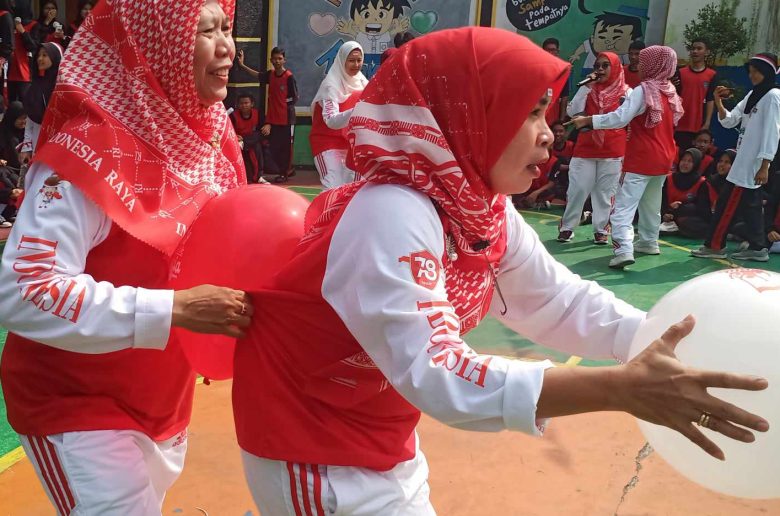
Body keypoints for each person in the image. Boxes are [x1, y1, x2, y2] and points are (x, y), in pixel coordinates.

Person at [232, 29, 768, 515]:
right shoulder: (390, 211)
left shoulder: (478, 205)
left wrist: (669, 342)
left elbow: (555, 300)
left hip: (377, 433)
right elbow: (439, 371)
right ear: (468, 115)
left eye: (546, 113)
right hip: (315, 449)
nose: (548, 135)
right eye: (529, 113)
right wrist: (620, 389)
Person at [0, 1, 253, 514]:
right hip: (74, 406)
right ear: (160, 46)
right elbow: (24, 289)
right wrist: (174, 309)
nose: (227, 47)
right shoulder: (88, 148)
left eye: (227, 29)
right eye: (207, 31)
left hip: (162, 404)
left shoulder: (214, 142)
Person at [572, 46, 682, 269]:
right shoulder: (669, 90)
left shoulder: (644, 90)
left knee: (623, 207)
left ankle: (623, 248)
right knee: (651, 204)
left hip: (641, 157)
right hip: (664, 157)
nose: (638, 66)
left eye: (643, 62)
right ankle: (649, 241)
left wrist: (589, 121)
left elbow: (620, 118)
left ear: (652, 65)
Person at [691, 53, 780, 262]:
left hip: (752, 164)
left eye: (757, 72)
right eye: (751, 71)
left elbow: (773, 132)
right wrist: (718, 102)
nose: (752, 75)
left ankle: (715, 246)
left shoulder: (773, 96)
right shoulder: (753, 94)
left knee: (727, 205)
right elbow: (730, 120)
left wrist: (765, 165)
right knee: (751, 207)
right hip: (743, 161)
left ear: (767, 73)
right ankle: (758, 247)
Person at [559, 52, 630, 245]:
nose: (600, 69)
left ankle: (601, 229)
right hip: (586, 148)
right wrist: (586, 87)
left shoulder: (627, 92)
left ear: (615, 67)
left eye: (605, 65)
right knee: (578, 189)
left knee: (605, 193)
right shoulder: (589, 88)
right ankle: (567, 227)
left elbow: (626, 118)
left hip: (613, 150)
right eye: (597, 66)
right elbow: (572, 111)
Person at [309, 41, 368, 190]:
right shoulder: (331, 85)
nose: (356, 65)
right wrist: (356, 111)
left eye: (359, 60)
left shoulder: (363, 82)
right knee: (332, 186)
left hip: (350, 145)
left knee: (350, 189)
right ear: (342, 60)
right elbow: (331, 120)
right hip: (327, 143)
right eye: (351, 60)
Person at [236, 46, 299, 182]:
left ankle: (284, 173)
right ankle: (283, 170)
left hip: (287, 120)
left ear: (284, 60)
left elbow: (294, 98)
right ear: (271, 60)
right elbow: (258, 75)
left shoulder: (289, 77)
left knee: (286, 148)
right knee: (273, 146)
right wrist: (242, 65)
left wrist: (283, 105)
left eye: (280, 59)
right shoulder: (270, 75)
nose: (277, 61)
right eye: (274, 59)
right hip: (273, 120)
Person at [672, 38, 718, 154]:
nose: (695, 51)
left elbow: (710, 99)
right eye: (693, 49)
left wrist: (707, 123)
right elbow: (674, 97)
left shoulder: (711, 75)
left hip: (698, 126)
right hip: (680, 124)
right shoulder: (680, 73)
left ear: (707, 52)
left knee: (695, 158)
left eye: (699, 48)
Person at [20, 41, 62, 160]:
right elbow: (31, 118)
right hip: (38, 140)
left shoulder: (64, 87)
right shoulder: (36, 86)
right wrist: (26, 147)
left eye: (44, 55)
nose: (40, 59)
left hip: (60, 143)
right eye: (38, 55)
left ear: (55, 57)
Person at [659, 147, 705, 234]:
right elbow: (661, 200)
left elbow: (700, 208)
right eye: (683, 160)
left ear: (696, 164)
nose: (685, 163)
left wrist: (678, 209)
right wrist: (665, 213)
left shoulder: (701, 182)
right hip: (666, 214)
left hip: (684, 216)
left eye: (690, 161)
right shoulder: (668, 178)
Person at [230, 93, 267, 183]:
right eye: (241, 103)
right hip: (238, 142)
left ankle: (259, 176)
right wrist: (235, 136)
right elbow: (229, 130)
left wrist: (268, 125)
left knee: (257, 141)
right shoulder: (233, 116)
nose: (244, 105)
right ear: (238, 105)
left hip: (250, 140)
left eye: (246, 103)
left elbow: (263, 129)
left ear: (252, 104)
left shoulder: (257, 114)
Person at [7, 6, 39, 103]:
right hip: (9, 72)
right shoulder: (8, 23)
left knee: (25, 104)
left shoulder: (34, 25)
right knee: (10, 104)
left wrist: (23, 32)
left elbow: (33, 46)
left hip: (25, 72)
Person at [542, 38, 569, 125]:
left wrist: (561, 119)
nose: (550, 53)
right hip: (537, 114)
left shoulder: (563, 71)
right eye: (547, 50)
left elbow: (564, 97)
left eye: (553, 50)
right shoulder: (537, 69)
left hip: (553, 117)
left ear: (557, 52)